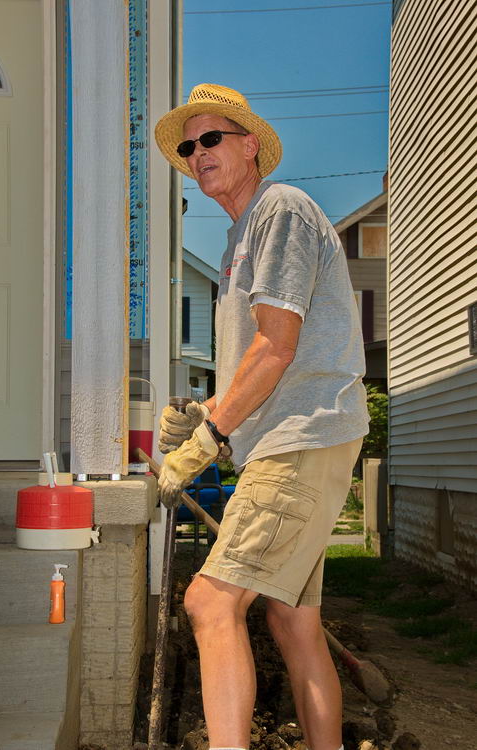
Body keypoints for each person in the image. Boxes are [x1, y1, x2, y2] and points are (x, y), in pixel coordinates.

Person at [154, 83, 369, 750]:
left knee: (209, 601)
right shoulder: (240, 238)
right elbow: (257, 362)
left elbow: (277, 346)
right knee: (292, 619)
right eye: (189, 147)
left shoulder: (280, 211)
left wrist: (210, 436)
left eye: (211, 138)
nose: (197, 153)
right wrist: (203, 414)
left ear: (250, 145)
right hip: (293, 435)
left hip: (300, 436)